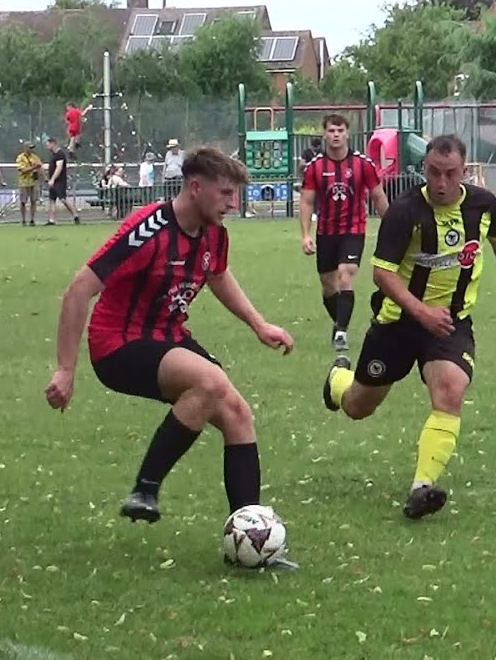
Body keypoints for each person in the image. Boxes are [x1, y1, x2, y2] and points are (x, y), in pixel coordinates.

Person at [43, 147, 295, 538]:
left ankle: (251, 537)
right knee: (209, 383)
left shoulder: (214, 234)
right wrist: (65, 368)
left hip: (168, 337)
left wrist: (259, 324)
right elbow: (79, 289)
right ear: (195, 188)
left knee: (237, 413)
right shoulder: (149, 228)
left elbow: (217, 275)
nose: (234, 203)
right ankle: (145, 489)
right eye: (226, 193)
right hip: (117, 344)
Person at [321, 134, 496, 520]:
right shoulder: (404, 212)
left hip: (450, 323)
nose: (440, 182)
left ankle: (421, 488)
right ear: (425, 169)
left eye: (449, 174)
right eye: (433, 172)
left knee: (451, 390)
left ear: (464, 172)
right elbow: (382, 275)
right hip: (397, 324)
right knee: (357, 407)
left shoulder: (483, 206)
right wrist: (421, 312)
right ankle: (338, 380)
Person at [299, 114, 390, 352]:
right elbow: (307, 202)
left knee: (345, 276)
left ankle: (341, 333)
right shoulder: (315, 167)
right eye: (331, 131)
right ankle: (340, 322)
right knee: (329, 287)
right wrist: (306, 234)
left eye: (340, 130)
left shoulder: (363, 164)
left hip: (353, 229)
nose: (336, 135)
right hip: (326, 232)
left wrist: (391, 226)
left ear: (347, 133)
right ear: (325, 134)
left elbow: (378, 196)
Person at [45, 137, 80, 226]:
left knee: (63, 199)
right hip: (53, 181)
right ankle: (51, 220)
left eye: (48, 144)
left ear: (53, 143)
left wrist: (53, 179)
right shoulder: (53, 155)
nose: (47, 146)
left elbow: (59, 167)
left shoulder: (60, 154)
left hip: (59, 181)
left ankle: (75, 215)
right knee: (52, 199)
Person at [15, 141, 43, 227]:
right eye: (29, 148)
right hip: (24, 182)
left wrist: (44, 177)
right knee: (23, 201)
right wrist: (34, 167)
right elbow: (22, 170)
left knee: (33, 200)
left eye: (32, 148)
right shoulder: (20, 158)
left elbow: (40, 167)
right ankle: (23, 219)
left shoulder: (35, 157)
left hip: (33, 182)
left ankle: (32, 219)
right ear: (25, 148)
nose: (31, 150)